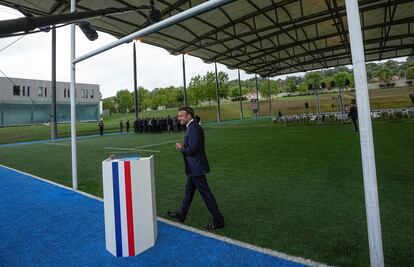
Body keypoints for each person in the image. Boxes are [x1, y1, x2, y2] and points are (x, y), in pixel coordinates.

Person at [168, 106, 225, 230]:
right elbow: (193, 146)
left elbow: (193, 150)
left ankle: (219, 220)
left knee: (206, 194)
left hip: (196, 168)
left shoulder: (193, 128)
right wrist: (185, 146)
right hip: (193, 168)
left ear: (189, 116)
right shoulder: (192, 127)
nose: (179, 118)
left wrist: (181, 148)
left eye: (181, 116)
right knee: (189, 191)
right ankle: (182, 214)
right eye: (179, 116)